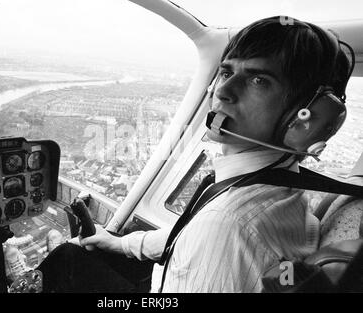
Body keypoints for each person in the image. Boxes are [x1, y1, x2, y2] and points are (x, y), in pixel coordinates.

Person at [36, 16, 353, 292]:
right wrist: (118, 243)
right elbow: (189, 235)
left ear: (308, 118)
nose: (223, 91)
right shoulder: (274, 182)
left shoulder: (228, 226)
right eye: (227, 73)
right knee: (88, 252)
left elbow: (212, 233)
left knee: (67, 258)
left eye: (259, 80)